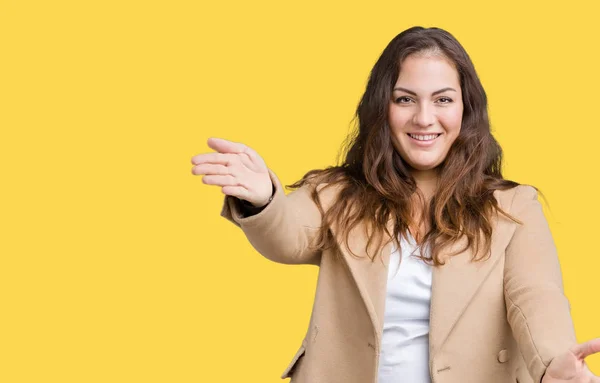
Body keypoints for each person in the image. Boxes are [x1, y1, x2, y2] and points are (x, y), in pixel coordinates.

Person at [191, 26, 599, 383]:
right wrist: (264, 199)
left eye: (443, 100)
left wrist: (552, 364)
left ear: (465, 108)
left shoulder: (513, 206)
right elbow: (287, 236)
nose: (424, 118)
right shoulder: (337, 193)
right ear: (382, 107)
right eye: (406, 99)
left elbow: (536, 297)